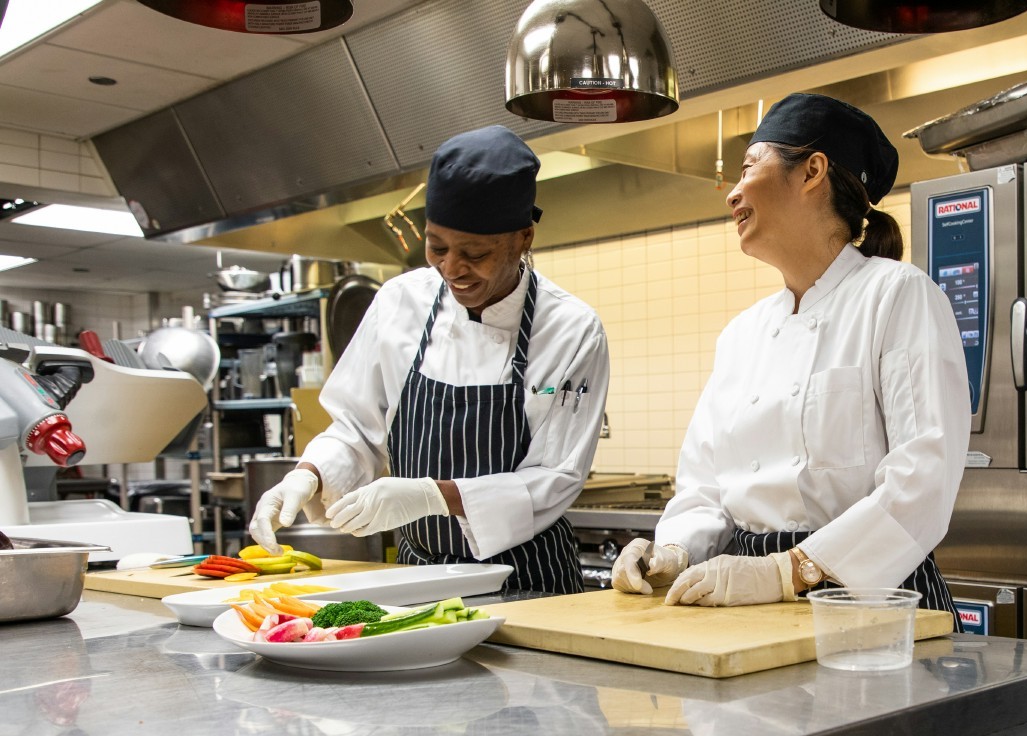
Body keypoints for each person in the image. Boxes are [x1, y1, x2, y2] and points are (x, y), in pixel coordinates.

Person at [610, 93, 967, 622]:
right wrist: (674, 552)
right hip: (747, 596)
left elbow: (923, 481)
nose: (732, 193)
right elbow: (705, 485)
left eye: (749, 167)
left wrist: (790, 571)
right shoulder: (742, 333)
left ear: (812, 171)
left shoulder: (896, 295)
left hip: (864, 593)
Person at [250, 125, 608, 594]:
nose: (452, 269)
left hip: (531, 580)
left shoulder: (571, 328)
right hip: (417, 577)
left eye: (474, 253)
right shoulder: (400, 301)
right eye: (437, 247)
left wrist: (431, 496)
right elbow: (356, 428)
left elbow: (556, 475)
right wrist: (308, 475)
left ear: (523, 238)